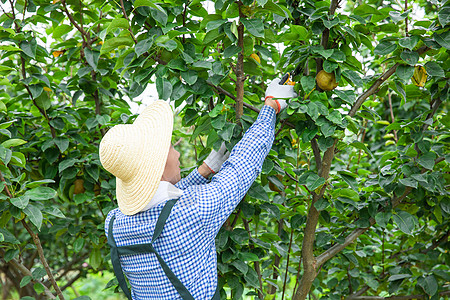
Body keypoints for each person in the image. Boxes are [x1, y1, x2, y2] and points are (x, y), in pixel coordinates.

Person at [100, 78, 297, 300]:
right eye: (172, 148)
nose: (176, 155)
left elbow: (162, 202)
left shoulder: (114, 223)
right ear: (160, 164)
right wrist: (271, 106)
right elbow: (242, 167)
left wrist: (204, 171)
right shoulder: (194, 211)